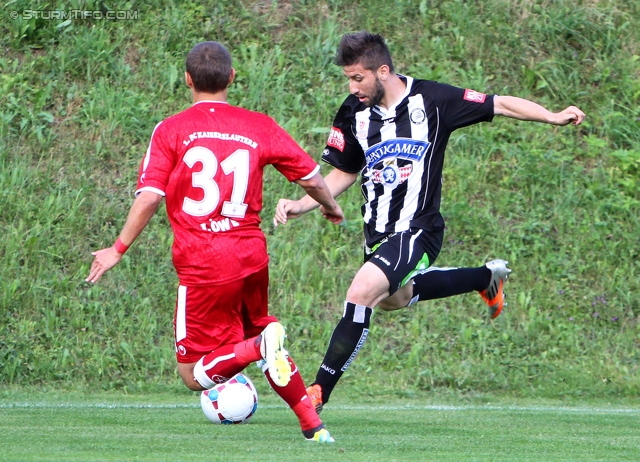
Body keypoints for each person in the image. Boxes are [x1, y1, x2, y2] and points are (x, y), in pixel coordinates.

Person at [274, 31, 585, 413]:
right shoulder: (353, 111)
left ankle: (316, 394)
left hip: (419, 230)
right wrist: (301, 205)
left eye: (358, 78)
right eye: (348, 78)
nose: (352, 86)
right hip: (379, 234)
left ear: (382, 71)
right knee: (393, 299)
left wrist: (552, 116)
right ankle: (484, 278)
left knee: (360, 294)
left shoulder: (433, 100)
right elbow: (343, 171)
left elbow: (499, 104)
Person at [86, 41, 344, 442]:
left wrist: (116, 249)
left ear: (187, 79)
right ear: (232, 78)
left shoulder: (171, 129)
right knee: (256, 328)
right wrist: (330, 206)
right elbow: (310, 176)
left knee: (194, 375)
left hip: (204, 263)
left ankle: (259, 347)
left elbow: (151, 196)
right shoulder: (260, 125)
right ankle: (313, 426)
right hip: (251, 256)